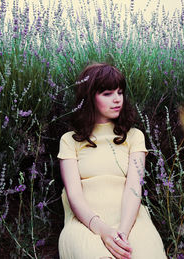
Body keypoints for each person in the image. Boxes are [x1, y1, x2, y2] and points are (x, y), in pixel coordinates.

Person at [57, 62, 167, 259]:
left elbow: (134, 188)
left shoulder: (134, 136)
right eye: (107, 94)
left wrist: (121, 234)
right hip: (86, 223)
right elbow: (74, 196)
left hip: (131, 220)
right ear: (90, 98)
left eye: (120, 92)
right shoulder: (70, 140)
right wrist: (103, 231)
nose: (117, 99)